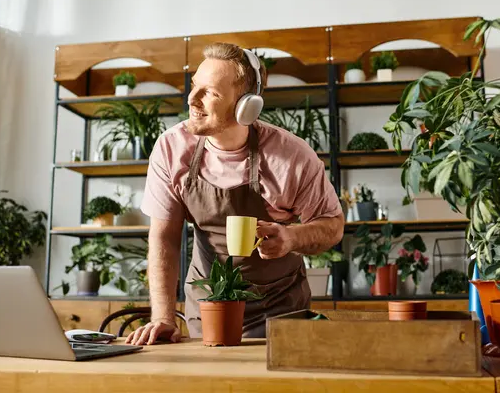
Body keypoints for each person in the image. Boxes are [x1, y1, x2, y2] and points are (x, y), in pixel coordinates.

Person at [125, 43, 345, 346]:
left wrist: (291, 238)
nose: (191, 99)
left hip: (279, 313)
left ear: (246, 107)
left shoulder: (290, 156)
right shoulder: (172, 149)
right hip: (208, 309)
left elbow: (333, 225)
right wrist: (163, 317)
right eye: (194, 87)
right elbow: (165, 237)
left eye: (210, 92)